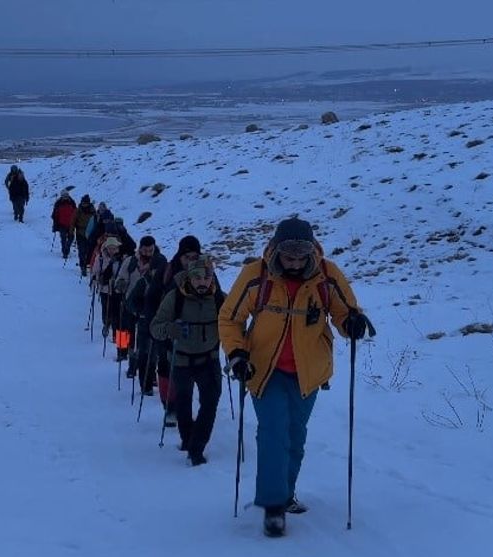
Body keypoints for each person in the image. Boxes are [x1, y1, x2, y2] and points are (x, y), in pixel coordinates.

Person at [218, 216, 371, 538]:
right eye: (289, 256)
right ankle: (273, 507)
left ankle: (285, 494)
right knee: (274, 431)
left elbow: (345, 312)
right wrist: (237, 354)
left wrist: (353, 324)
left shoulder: (326, 275)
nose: (295, 262)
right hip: (262, 369)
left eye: (302, 257)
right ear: (275, 250)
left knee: (295, 436)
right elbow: (230, 319)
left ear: (312, 252)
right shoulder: (255, 275)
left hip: (308, 372)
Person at [151, 254, 226, 466]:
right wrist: (170, 329)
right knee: (183, 403)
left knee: (210, 403)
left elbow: (234, 323)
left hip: (209, 360)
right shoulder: (175, 298)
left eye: (207, 277)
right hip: (181, 360)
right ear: (189, 278)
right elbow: (155, 327)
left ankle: (197, 448)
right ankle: (187, 439)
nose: (202, 282)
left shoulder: (220, 299)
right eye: (197, 278)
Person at [115, 236, 163, 382]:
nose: (148, 253)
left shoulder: (159, 262)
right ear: (140, 248)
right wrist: (121, 284)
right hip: (130, 303)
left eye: (151, 250)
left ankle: (150, 370)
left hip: (151, 307)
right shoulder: (130, 262)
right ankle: (127, 358)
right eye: (145, 250)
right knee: (125, 332)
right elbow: (120, 278)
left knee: (149, 342)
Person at [89, 236, 126, 342]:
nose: (112, 250)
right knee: (106, 310)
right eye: (110, 248)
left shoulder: (121, 259)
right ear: (106, 248)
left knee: (117, 315)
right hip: (105, 289)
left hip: (117, 291)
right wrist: (95, 279)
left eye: (114, 248)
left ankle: (117, 338)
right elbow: (95, 271)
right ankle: (107, 324)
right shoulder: (100, 258)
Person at [73, 195, 97, 277]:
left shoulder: (93, 211)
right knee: (81, 251)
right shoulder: (78, 210)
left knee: (88, 251)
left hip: (90, 234)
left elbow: (96, 221)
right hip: (80, 233)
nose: (84, 204)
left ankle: (87, 264)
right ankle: (82, 266)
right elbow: (73, 220)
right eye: (83, 203)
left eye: (86, 203)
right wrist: (71, 231)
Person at [51, 190, 77, 261]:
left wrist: (76, 222)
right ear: (61, 196)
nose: (65, 197)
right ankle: (65, 252)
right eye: (64, 195)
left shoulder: (72, 202)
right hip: (61, 224)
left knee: (71, 238)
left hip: (71, 224)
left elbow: (76, 212)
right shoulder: (58, 203)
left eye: (66, 195)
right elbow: (54, 214)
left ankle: (67, 247)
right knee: (63, 238)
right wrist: (55, 224)